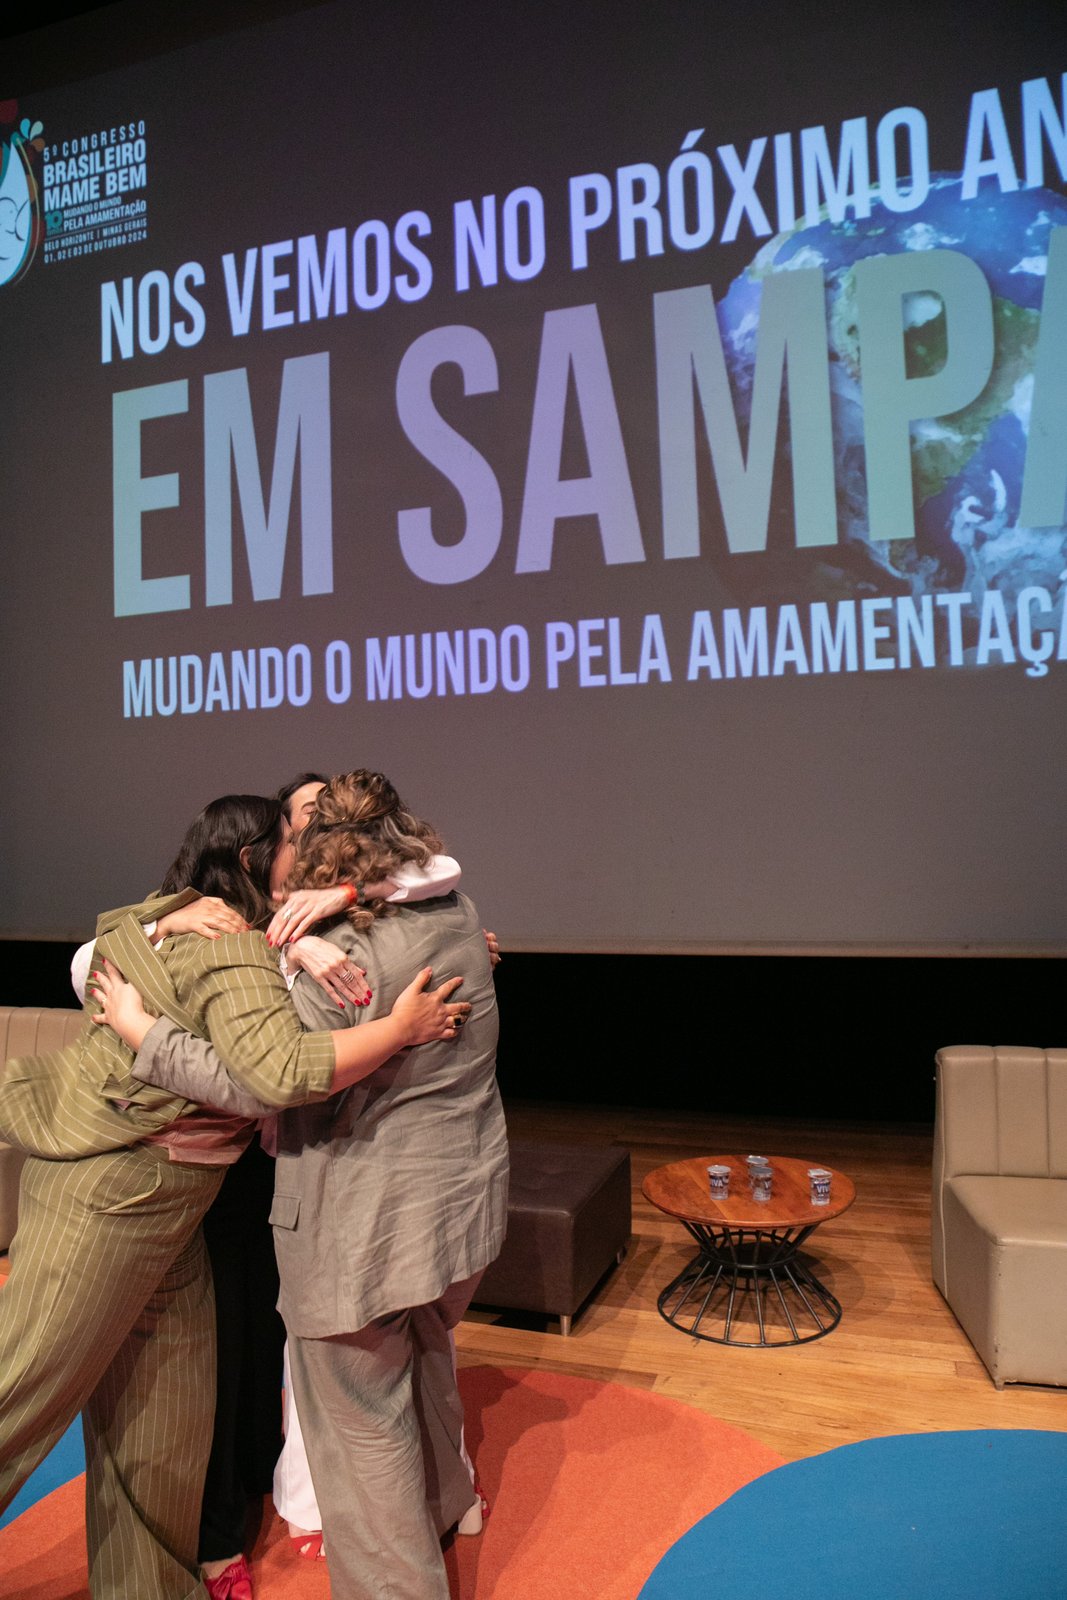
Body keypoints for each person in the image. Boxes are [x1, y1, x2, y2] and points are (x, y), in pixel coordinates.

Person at [0, 793, 469, 1600]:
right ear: (255, 858)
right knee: (23, 1390)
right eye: (294, 837)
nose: (311, 848)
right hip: (111, 1190)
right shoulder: (225, 944)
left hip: (172, 1205)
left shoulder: (235, 931)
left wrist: (319, 917)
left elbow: (429, 871)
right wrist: (397, 1029)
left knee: (163, 1421)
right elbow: (276, 1076)